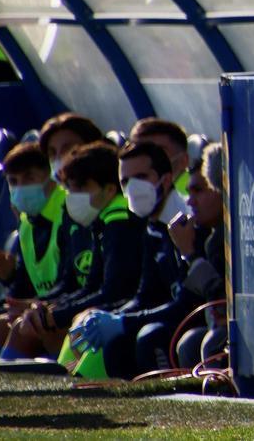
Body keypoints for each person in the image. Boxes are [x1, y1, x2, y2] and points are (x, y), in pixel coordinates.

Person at [4, 142, 145, 364]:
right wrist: (44, 307)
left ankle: (62, 381)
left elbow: (115, 291)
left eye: (80, 188)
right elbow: (84, 285)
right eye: (68, 188)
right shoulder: (96, 219)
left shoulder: (119, 221)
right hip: (99, 308)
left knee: (38, 326)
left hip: (119, 315)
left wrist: (55, 315)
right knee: (31, 323)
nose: (71, 196)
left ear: (109, 188)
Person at [67, 142, 195, 379]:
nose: (132, 187)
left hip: (191, 320)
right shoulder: (152, 227)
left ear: (166, 180)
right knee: (113, 340)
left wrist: (123, 322)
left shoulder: (189, 223)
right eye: (125, 181)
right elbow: (145, 295)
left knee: (149, 335)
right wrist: (112, 316)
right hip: (169, 315)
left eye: (141, 177)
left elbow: (187, 302)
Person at [0, 143, 68, 360]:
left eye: (29, 178)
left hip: (63, 311)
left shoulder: (67, 211)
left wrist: (39, 306)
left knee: (20, 329)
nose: (20, 187)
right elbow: (24, 288)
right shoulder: (28, 222)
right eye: (13, 181)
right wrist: (8, 275)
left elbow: (73, 281)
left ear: (51, 176)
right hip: (43, 309)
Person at [170, 143, 228, 370]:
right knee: (189, 342)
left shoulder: (226, 237)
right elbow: (185, 300)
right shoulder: (207, 236)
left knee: (209, 343)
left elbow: (220, 298)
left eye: (199, 190)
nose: (191, 201)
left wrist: (190, 254)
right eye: (189, 192)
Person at [129, 118, 191, 222]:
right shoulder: (134, 206)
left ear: (183, 161)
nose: (143, 161)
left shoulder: (193, 207)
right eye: (137, 152)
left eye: (157, 152)